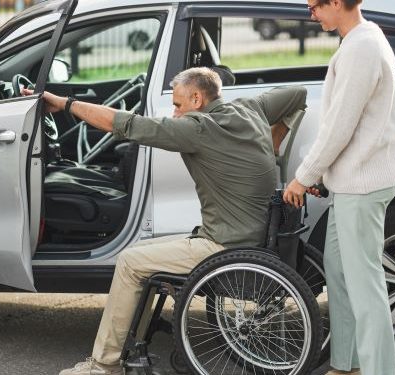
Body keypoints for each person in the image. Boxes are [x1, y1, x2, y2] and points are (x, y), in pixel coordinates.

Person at [30, 66, 307, 375]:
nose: (175, 113)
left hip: (223, 246)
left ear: (197, 98)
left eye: (177, 105)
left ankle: (102, 366)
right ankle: (130, 346)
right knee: (146, 253)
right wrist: (274, 141)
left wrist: (65, 104)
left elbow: (124, 124)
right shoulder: (250, 108)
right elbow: (298, 94)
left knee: (130, 261)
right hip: (253, 236)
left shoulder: (197, 128)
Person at [283, 1, 395, 375]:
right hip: (352, 182)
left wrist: (304, 175)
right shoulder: (359, 41)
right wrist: (322, 174)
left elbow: (340, 126)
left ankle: (378, 370)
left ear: (336, 2)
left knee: (366, 287)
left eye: (314, 6)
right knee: (338, 270)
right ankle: (347, 364)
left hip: (363, 185)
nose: (311, 14)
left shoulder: (361, 47)